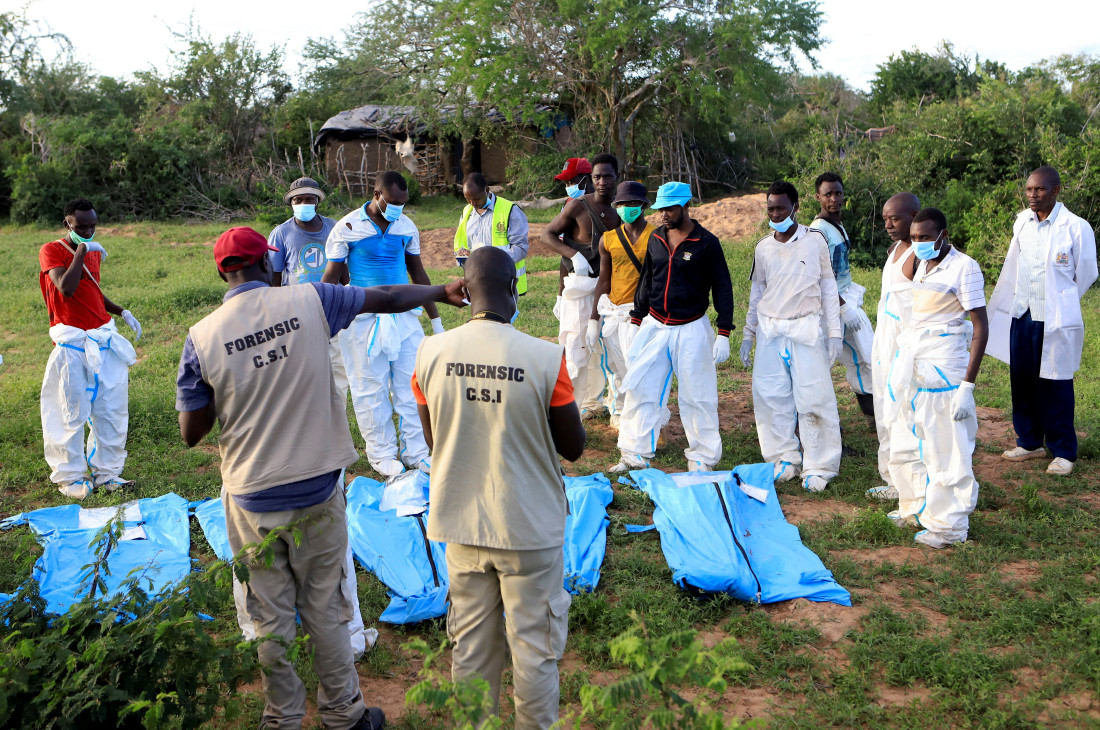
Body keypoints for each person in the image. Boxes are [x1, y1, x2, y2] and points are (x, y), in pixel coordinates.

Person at [176, 225, 467, 730]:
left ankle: (282, 717)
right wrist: (440, 291)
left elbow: (190, 432)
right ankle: (343, 715)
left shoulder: (200, 338)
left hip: (251, 496)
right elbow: (389, 295)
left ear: (222, 272)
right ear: (268, 266)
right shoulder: (311, 300)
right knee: (327, 607)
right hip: (316, 486)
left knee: (269, 616)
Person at [411, 246, 585, 730]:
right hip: (529, 528)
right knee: (534, 651)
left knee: (470, 648)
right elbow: (572, 446)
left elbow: (434, 439)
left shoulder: (429, 354)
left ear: (464, 291)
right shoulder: (546, 358)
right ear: (513, 290)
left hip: (462, 525)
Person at [321, 171, 443, 477]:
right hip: (362, 320)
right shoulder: (347, 227)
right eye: (393, 202)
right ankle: (381, 453)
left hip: (404, 317)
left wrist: (436, 321)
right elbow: (331, 280)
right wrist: (321, 322)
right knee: (369, 387)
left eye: (403, 203)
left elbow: (419, 275)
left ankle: (416, 451)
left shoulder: (406, 226)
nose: (398, 208)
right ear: (377, 195)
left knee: (411, 383)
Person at [883, 208, 987, 548]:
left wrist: (967, 388)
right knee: (911, 438)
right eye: (914, 238)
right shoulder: (921, 264)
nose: (918, 244)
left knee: (947, 449)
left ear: (944, 235)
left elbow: (980, 327)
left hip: (945, 371)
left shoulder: (964, 267)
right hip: (916, 365)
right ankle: (915, 507)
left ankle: (948, 527)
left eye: (925, 238)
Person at [613, 181, 734, 473]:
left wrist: (724, 332)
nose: (664, 214)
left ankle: (702, 457)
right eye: (660, 209)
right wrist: (636, 319)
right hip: (655, 323)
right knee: (642, 387)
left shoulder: (706, 243)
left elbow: (723, 287)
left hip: (691, 327)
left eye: (670, 209)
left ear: (686, 206)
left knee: (698, 394)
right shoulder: (656, 238)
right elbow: (647, 279)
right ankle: (634, 453)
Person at [987, 166, 1098, 476]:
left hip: (1054, 317)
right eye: (1028, 190)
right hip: (1022, 312)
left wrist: (1061, 299)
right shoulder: (1022, 221)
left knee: (1055, 382)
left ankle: (1063, 450)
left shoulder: (1076, 227)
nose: (1032, 195)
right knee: (1021, 380)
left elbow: (1086, 272)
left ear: (1056, 191)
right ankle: (1030, 442)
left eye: (1039, 190)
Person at [740, 180, 841, 492]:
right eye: (771, 208)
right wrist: (749, 333)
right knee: (771, 397)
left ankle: (819, 466)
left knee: (814, 397)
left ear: (795, 207)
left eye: (781, 207)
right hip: (771, 330)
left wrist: (834, 333)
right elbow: (758, 291)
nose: (775, 213)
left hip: (806, 328)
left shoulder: (815, 241)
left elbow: (828, 285)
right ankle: (783, 457)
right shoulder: (763, 247)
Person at [39, 198, 142, 499]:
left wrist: (121, 311)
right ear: (67, 223)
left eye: (92, 225)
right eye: (80, 225)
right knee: (69, 412)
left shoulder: (92, 253)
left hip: (102, 338)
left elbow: (91, 291)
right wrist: (82, 251)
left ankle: (107, 474)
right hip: (72, 345)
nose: (87, 230)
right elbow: (67, 288)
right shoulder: (52, 250)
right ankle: (71, 478)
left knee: (110, 410)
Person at [542, 154, 620, 419]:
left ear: (616, 178)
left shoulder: (621, 210)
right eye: (597, 177)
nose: (601, 182)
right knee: (575, 349)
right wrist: (561, 291)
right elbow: (549, 236)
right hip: (578, 289)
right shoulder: (577, 206)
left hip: (609, 290)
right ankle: (567, 412)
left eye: (606, 176)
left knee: (607, 349)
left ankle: (595, 402)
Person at [267, 176, 349, 399]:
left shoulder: (334, 227)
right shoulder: (281, 233)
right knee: (302, 365)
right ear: (291, 203)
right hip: (296, 308)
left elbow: (344, 272)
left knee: (337, 365)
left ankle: (336, 413)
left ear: (317, 201)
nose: (303, 204)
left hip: (332, 304)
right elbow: (274, 278)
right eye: (298, 200)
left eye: (308, 199)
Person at [866, 192, 921, 501]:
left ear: (914, 215)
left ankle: (909, 482)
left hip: (905, 344)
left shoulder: (920, 255)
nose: (888, 223)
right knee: (885, 408)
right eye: (885, 218)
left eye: (895, 218)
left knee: (904, 411)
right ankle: (891, 478)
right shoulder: (895, 249)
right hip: (884, 339)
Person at [809, 172, 875, 423]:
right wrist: (841, 306)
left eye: (838, 193)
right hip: (829, 305)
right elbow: (818, 277)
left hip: (846, 298)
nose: (834, 199)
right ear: (818, 197)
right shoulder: (818, 231)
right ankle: (818, 423)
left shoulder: (836, 224)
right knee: (822, 363)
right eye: (828, 194)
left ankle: (873, 415)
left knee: (864, 355)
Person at [587, 181, 654, 428]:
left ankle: (648, 418)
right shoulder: (608, 239)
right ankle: (620, 412)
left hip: (645, 315)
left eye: (634, 203)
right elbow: (603, 279)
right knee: (616, 367)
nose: (629, 208)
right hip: (615, 313)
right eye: (624, 204)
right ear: (617, 207)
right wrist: (594, 319)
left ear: (644, 206)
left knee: (644, 369)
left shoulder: (657, 236)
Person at [452, 172, 529, 293]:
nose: (473, 203)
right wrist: (462, 254)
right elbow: (463, 244)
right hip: (477, 281)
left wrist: (492, 261)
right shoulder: (467, 212)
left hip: (504, 282)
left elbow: (521, 248)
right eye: (468, 200)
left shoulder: (510, 210)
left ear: (487, 190)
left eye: (477, 199)